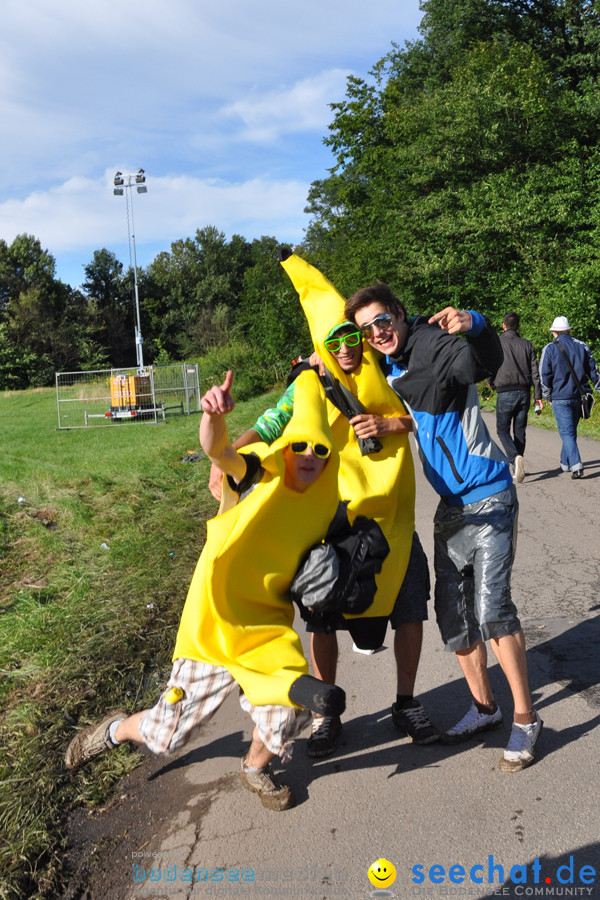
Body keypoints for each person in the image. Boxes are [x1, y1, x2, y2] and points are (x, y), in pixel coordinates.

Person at [65, 369, 346, 811]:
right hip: (213, 626)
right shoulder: (257, 472)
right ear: (285, 446)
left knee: (289, 708)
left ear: (330, 455)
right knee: (167, 735)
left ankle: (254, 767)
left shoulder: (325, 502)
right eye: (299, 445)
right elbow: (218, 451)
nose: (309, 455)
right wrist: (214, 417)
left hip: (264, 631)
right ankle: (116, 729)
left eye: (320, 448)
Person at [210, 252, 439, 758]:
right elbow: (270, 425)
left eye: (352, 338)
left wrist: (387, 424)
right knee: (320, 619)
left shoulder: (387, 370)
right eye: (334, 341)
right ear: (322, 345)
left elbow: (424, 413)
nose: (346, 348)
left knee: (408, 607)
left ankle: (406, 702)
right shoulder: (310, 385)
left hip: (390, 521)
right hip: (329, 522)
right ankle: (324, 714)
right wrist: (227, 456)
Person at [345, 281, 543, 772]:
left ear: (399, 312)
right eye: (366, 329)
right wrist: (390, 424)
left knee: (492, 608)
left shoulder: (434, 341)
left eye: (382, 321)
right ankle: (484, 709)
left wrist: (474, 324)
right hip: (450, 506)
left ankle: (525, 718)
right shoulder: (384, 364)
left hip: (490, 495)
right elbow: (417, 413)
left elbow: (483, 365)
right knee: (453, 616)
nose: (377, 333)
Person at [539, 316, 600, 479]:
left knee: (566, 432)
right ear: (568, 330)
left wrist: (547, 396)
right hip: (580, 396)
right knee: (570, 431)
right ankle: (564, 463)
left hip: (560, 397)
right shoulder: (582, 346)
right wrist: (598, 387)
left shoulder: (550, 349)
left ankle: (576, 465)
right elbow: (593, 370)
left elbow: (544, 376)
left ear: (555, 332)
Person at [489, 312, 543, 484]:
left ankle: (514, 458)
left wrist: (491, 383)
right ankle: (518, 467)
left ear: (503, 325)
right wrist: (538, 396)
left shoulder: (496, 343)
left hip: (505, 392)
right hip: (524, 392)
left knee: (502, 430)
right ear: (518, 326)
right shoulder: (527, 344)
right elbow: (535, 373)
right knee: (519, 430)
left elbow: (489, 366)